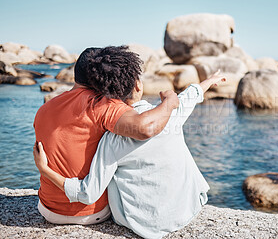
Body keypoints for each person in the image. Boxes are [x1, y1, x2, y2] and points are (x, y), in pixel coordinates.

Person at [34, 71, 226, 239]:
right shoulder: (170, 112)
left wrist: (45, 169)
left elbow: (88, 193)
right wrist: (210, 80)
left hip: (141, 225)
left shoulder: (112, 139)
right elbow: (190, 96)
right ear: (138, 86)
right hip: (185, 211)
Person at [34, 46, 179, 225]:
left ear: (75, 74)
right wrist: (170, 102)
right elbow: (145, 128)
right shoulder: (101, 105)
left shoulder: (45, 108)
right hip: (91, 213)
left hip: (47, 209)